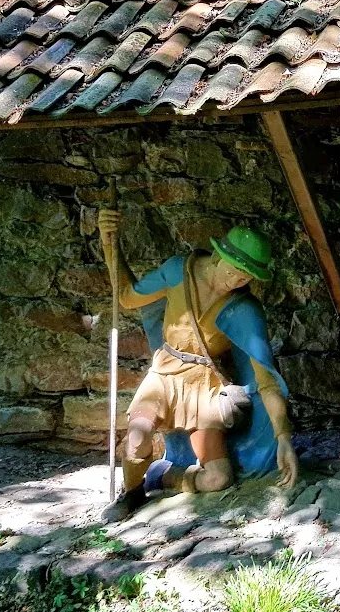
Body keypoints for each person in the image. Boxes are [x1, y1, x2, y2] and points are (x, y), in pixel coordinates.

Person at [98, 210, 298, 522]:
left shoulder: (243, 309)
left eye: (245, 277)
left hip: (204, 385)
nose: (236, 280)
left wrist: (283, 437)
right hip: (164, 373)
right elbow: (126, 297)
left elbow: (266, 380)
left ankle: (162, 475)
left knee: (218, 479)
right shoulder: (178, 271)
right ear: (220, 255)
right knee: (137, 441)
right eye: (233, 270)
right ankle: (133, 493)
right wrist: (111, 245)